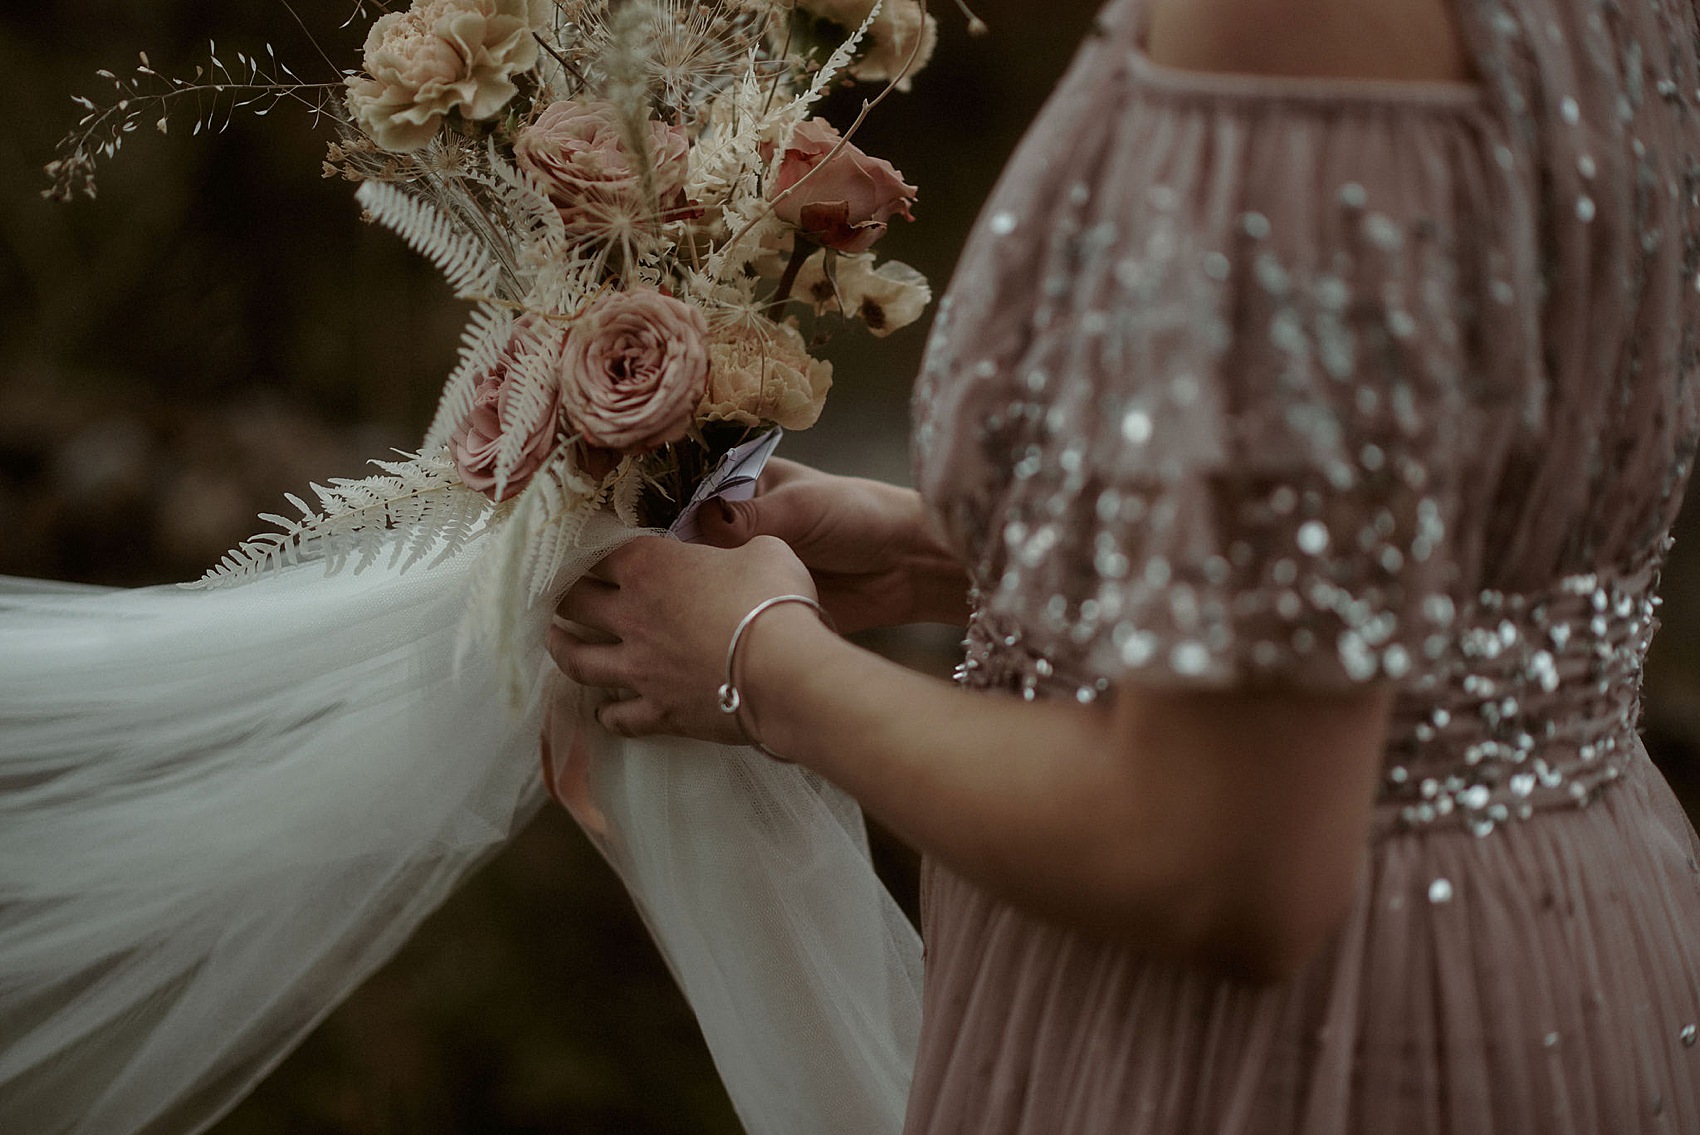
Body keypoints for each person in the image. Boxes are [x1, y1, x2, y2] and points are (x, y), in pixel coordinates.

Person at [544, 0, 1700, 1129]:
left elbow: (1219, 854)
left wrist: (760, 664)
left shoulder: (1284, 27)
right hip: (1574, 918)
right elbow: (1451, 512)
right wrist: (957, 562)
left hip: (1306, 1037)